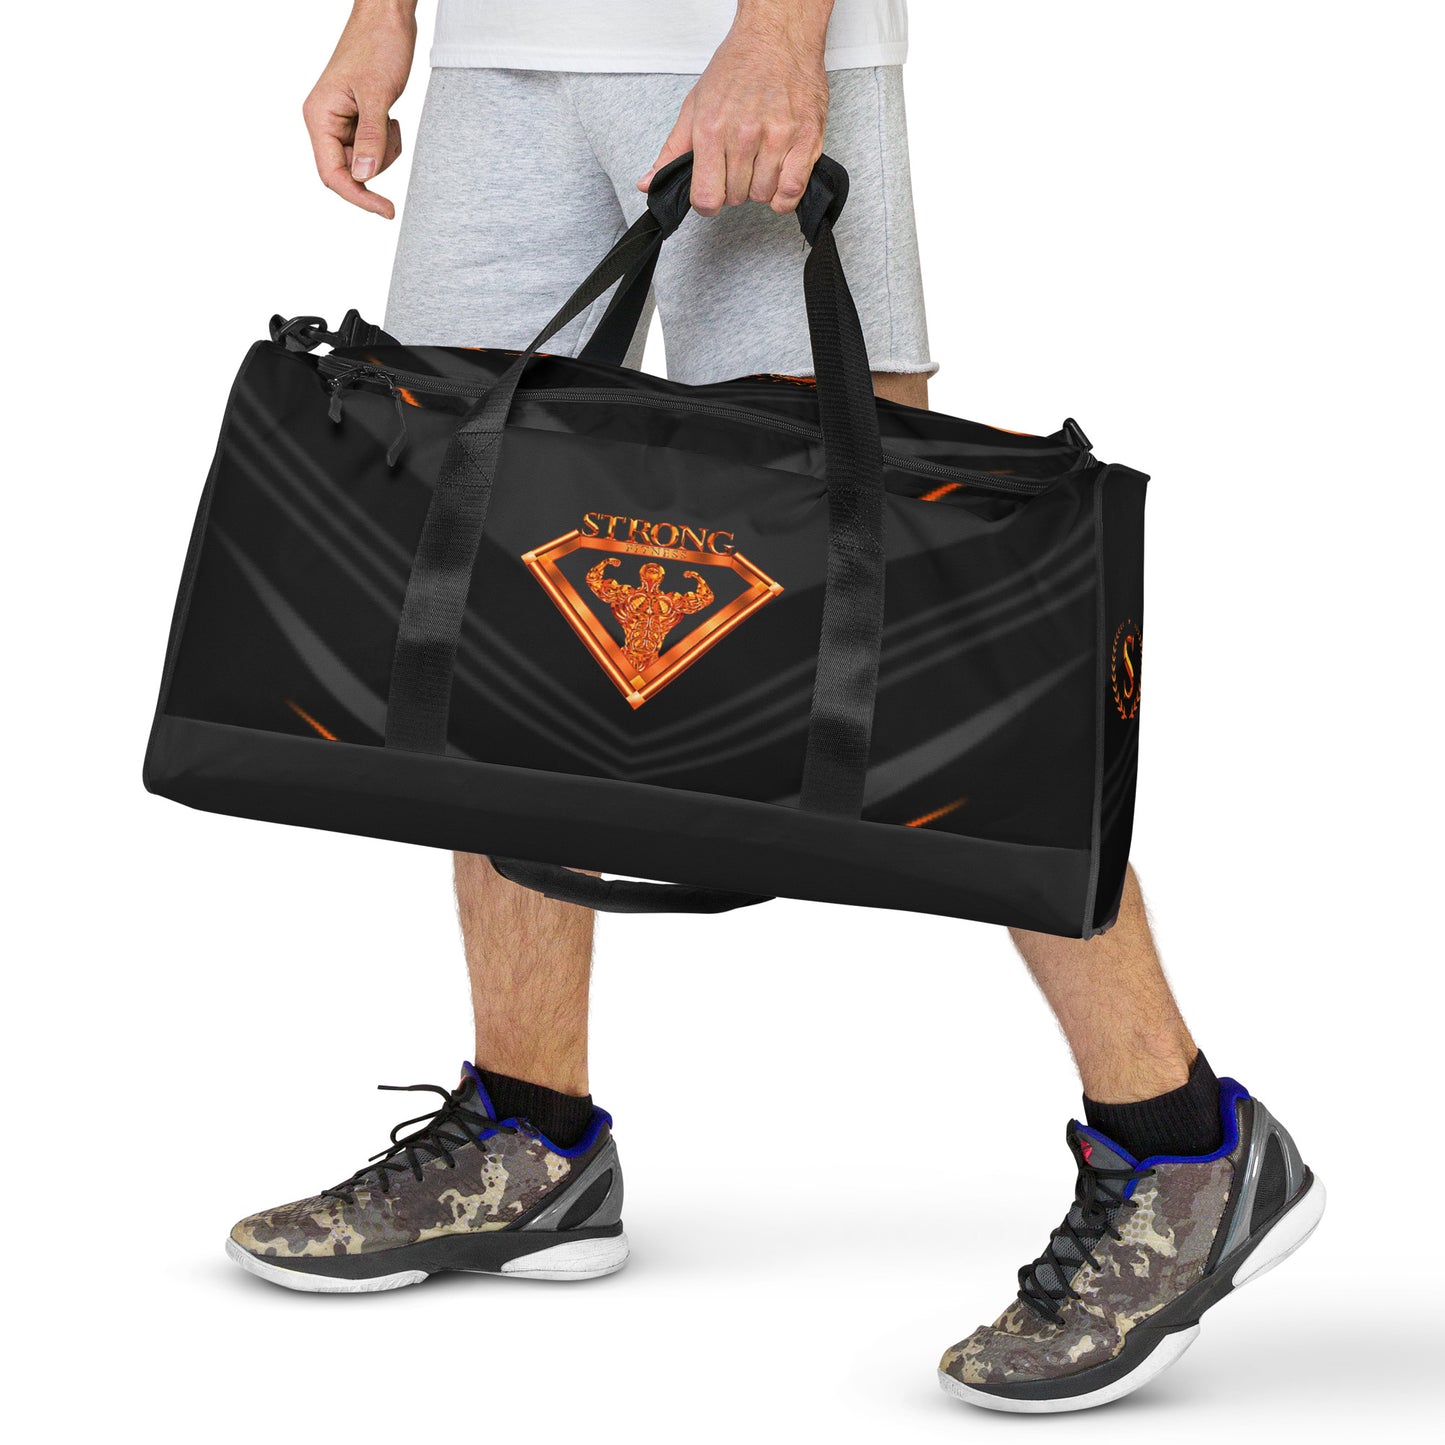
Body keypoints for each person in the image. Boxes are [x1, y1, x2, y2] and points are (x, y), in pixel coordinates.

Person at [225, 0, 1323, 1413]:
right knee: (496, 577)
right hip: (500, 57)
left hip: (737, 46)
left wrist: (781, 33)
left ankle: (1181, 1142)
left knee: (924, 599)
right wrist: (384, 15)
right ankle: (529, 1135)